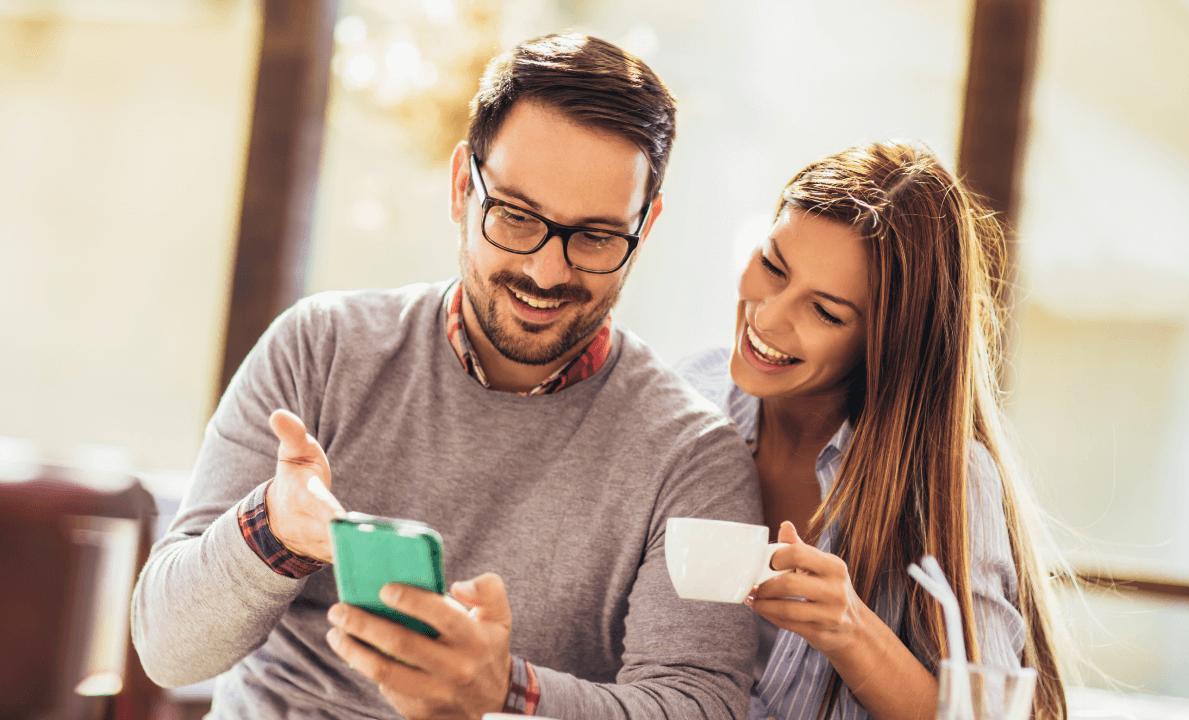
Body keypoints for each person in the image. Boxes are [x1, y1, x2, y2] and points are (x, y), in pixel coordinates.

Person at [132, 33, 762, 720]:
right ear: (463, 185)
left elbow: (701, 706)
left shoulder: (693, 457)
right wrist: (273, 529)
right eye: (516, 217)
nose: (547, 273)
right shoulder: (321, 349)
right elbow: (167, 651)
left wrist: (507, 694)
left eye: (597, 237)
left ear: (647, 222)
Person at [680, 142, 1068, 719]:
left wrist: (849, 630)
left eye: (826, 312)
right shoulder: (689, 394)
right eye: (772, 266)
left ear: (884, 344)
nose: (767, 315)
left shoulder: (947, 480)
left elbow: (988, 714)